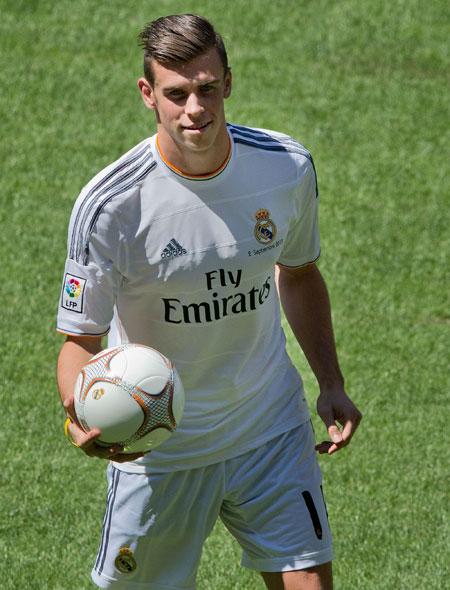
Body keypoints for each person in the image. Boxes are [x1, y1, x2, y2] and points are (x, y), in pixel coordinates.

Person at [56, 13, 362, 590]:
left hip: (268, 425)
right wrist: (82, 412)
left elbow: (298, 274)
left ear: (228, 83)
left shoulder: (283, 166)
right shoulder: (111, 205)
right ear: (148, 94)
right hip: (161, 444)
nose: (194, 108)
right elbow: (81, 339)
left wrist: (331, 381)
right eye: (176, 93)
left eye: (207, 88)